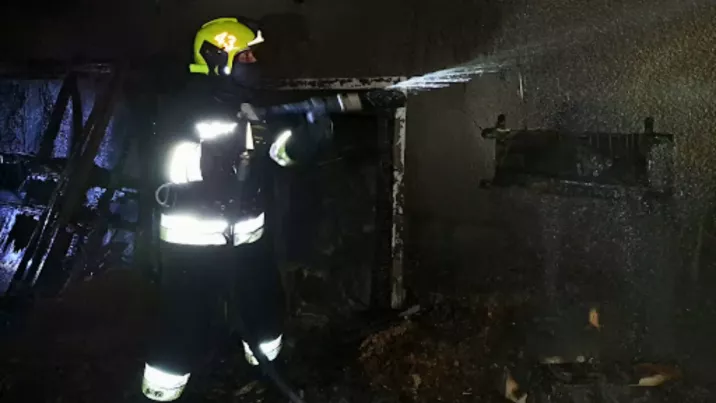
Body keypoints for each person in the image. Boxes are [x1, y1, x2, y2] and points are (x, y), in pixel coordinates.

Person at [141, 17, 331, 402]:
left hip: (248, 242)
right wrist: (231, 147)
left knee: (265, 309)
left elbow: (279, 154)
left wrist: (309, 137)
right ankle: (160, 393)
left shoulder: (246, 107)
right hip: (193, 249)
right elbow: (176, 169)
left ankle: (266, 375)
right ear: (217, 60)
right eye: (244, 56)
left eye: (252, 56)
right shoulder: (185, 108)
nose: (253, 63)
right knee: (184, 325)